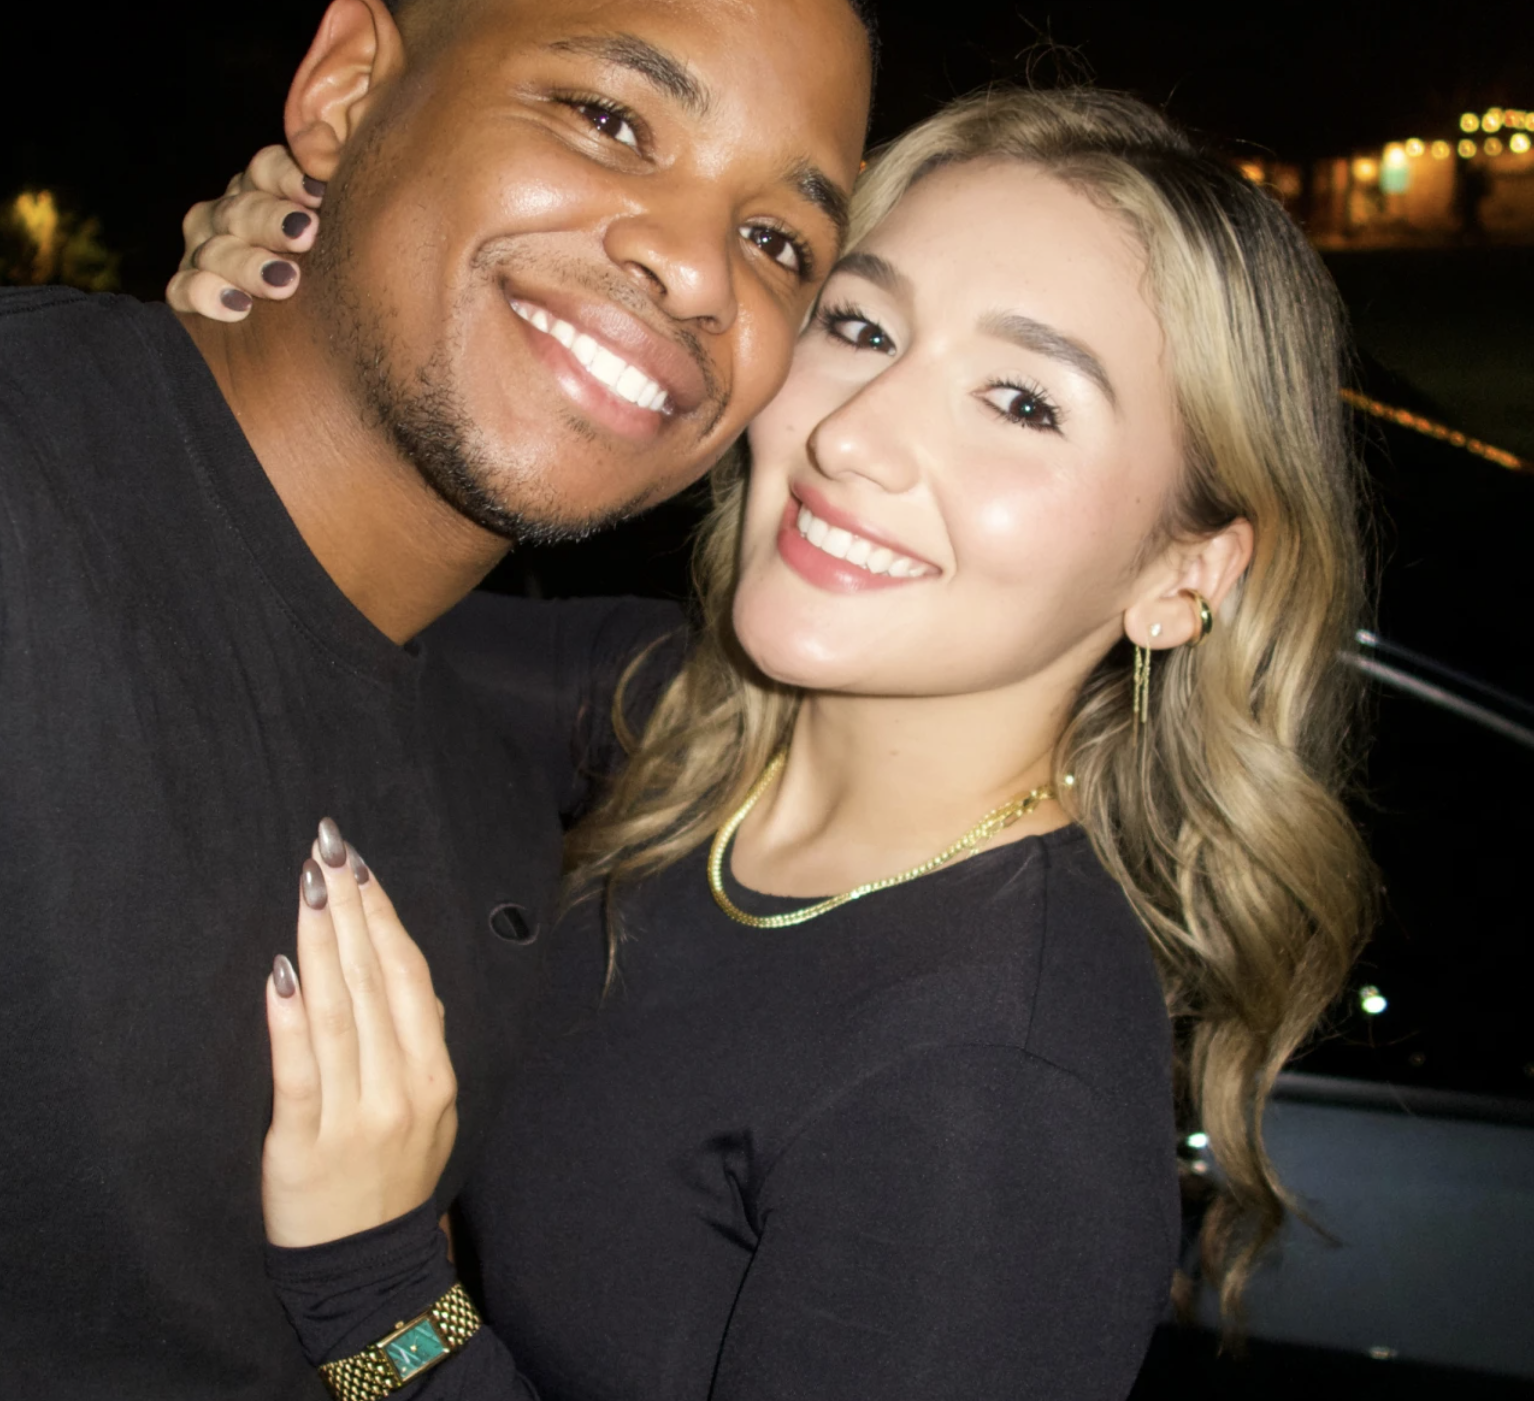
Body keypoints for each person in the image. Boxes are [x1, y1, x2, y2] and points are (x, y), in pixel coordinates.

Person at [190, 86, 1374, 1398]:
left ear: (1182, 574)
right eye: (860, 327)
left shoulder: (994, 1089)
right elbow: (279, 588)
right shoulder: (685, 722)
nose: (850, 435)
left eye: (1021, 402)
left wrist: (373, 1289)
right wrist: (260, 336)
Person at [0, 0, 872, 1399]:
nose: (694, 269)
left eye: (777, 242)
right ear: (345, 95)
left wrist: (396, 1314)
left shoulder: (507, 821)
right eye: (611, 118)